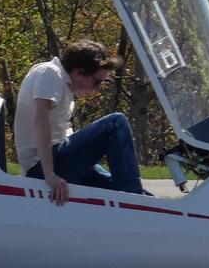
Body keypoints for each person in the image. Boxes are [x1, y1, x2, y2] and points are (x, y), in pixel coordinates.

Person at [15, 39, 143, 204]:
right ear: (79, 71)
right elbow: (40, 120)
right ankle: (135, 201)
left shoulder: (61, 82)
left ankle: (147, 205)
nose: (97, 89)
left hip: (54, 160)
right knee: (115, 123)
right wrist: (50, 175)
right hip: (40, 166)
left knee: (114, 186)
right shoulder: (50, 73)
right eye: (97, 82)